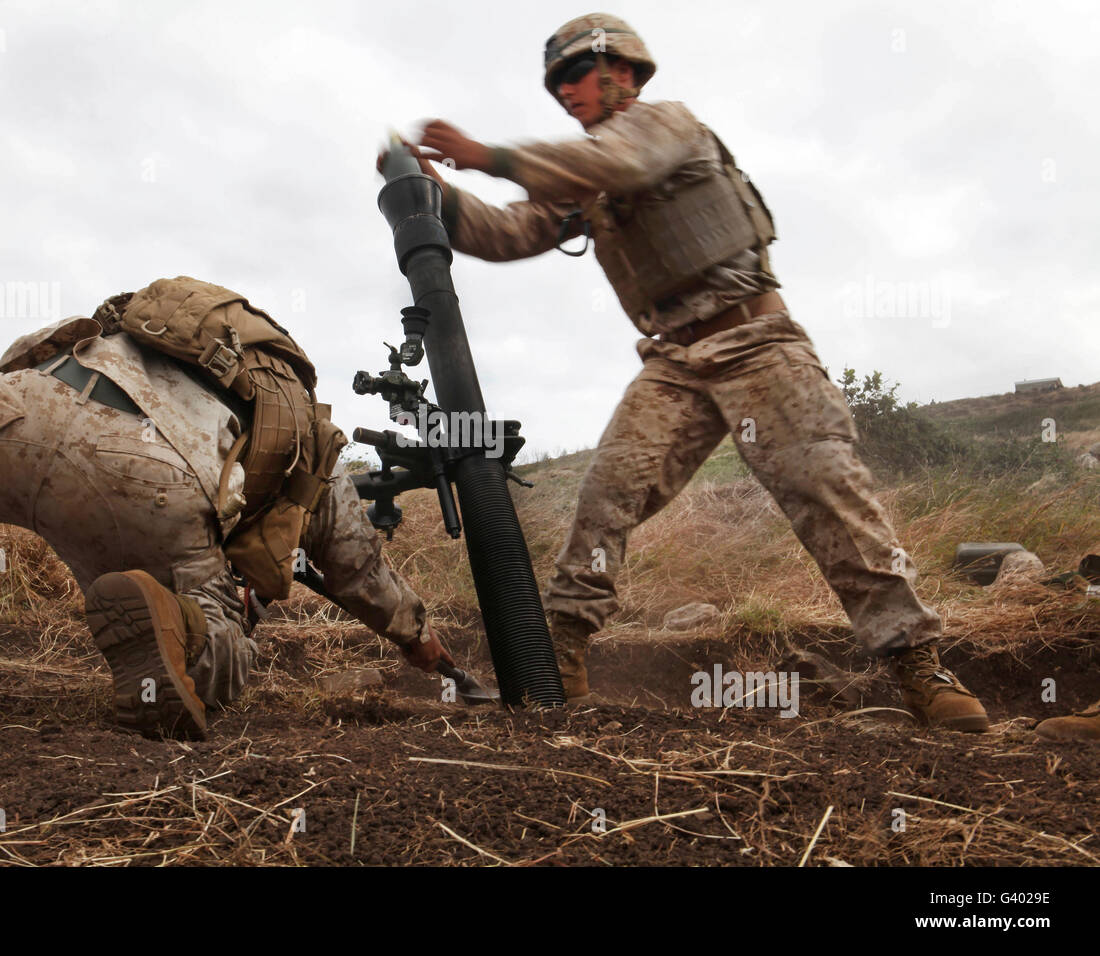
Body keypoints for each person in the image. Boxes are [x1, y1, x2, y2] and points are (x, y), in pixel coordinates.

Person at [398, 12, 988, 731]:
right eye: (558, 84)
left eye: (578, 75)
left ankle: (921, 671)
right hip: (675, 360)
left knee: (829, 498)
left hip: (757, 340)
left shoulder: (665, 127)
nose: (567, 93)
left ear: (624, 72)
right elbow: (510, 232)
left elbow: (619, 165)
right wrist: (437, 195)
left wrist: (486, 153)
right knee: (606, 497)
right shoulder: (580, 177)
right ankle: (559, 660)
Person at [0, 276, 452, 739]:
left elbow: (17, 361)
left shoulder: (127, 336)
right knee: (219, 653)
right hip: (150, 480)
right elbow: (358, 566)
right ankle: (185, 628)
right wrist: (416, 635)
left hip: (11, 414)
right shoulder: (306, 434)